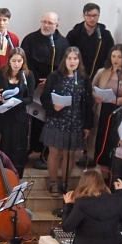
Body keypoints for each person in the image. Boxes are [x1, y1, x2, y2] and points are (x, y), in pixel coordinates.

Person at [41, 45, 90, 199]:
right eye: (69, 58)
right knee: (55, 152)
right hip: (57, 119)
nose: (72, 61)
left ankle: (65, 182)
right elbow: (44, 97)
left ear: (79, 61)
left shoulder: (84, 79)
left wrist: (87, 125)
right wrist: (53, 107)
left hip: (75, 121)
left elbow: (88, 103)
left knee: (70, 153)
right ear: (65, 60)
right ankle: (53, 182)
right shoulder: (55, 76)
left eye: (75, 58)